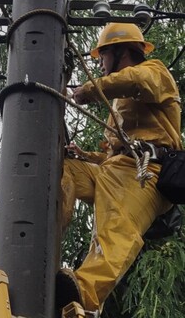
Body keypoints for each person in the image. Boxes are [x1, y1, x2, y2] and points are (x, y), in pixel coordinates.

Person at [56, 22, 182, 313]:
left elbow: (136, 81)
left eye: (102, 57)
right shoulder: (119, 105)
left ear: (121, 52)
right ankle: (49, 235)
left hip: (146, 176)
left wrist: (86, 91)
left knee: (116, 232)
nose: (100, 64)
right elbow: (116, 155)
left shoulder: (155, 73)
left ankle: (83, 297)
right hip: (113, 172)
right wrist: (85, 156)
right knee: (63, 171)